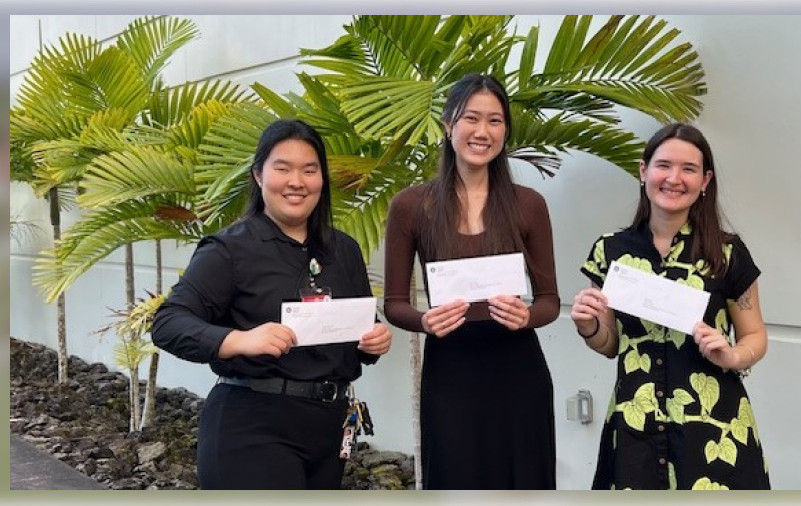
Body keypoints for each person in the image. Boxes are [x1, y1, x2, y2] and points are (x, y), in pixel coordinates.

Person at [151, 119, 392, 490]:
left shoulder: (343, 249)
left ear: (321, 180)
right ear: (259, 176)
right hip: (252, 426)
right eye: (283, 168)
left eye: (309, 170)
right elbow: (168, 323)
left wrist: (374, 341)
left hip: (329, 430)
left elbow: (357, 329)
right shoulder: (230, 249)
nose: (297, 181)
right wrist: (239, 340)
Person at [383, 73, 560, 490]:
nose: (483, 132)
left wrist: (527, 315)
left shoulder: (528, 204)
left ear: (506, 131)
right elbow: (394, 303)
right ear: (448, 125)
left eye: (495, 121)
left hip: (518, 367)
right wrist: (425, 321)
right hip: (451, 368)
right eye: (471, 119)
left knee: (524, 481)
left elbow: (550, 301)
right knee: (457, 480)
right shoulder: (411, 205)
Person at [573, 123, 770, 490]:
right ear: (643, 171)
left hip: (713, 427)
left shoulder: (727, 253)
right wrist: (589, 326)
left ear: (705, 180)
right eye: (663, 165)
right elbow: (611, 345)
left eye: (689, 169)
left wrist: (731, 356)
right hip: (636, 428)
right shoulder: (611, 250)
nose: (674, 178)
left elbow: (755, 335)